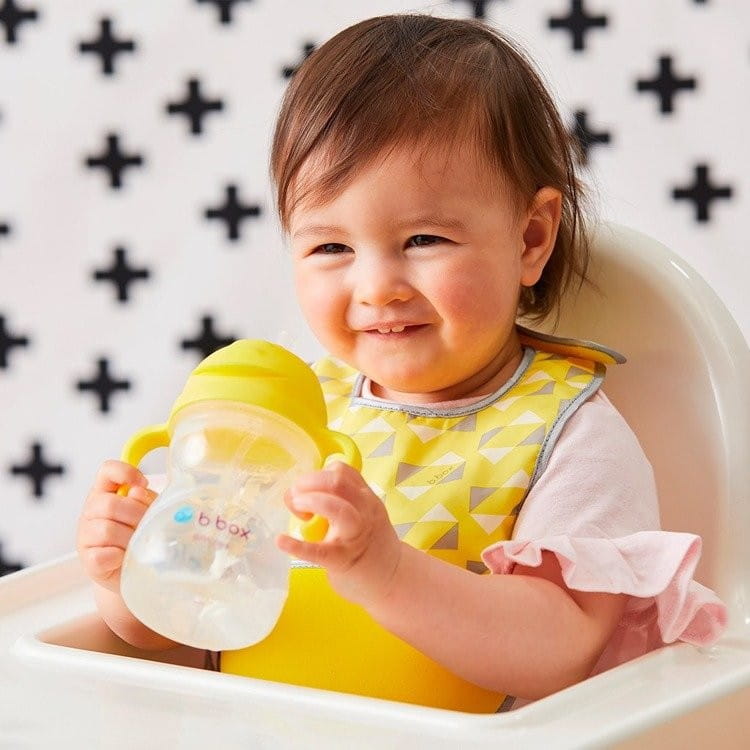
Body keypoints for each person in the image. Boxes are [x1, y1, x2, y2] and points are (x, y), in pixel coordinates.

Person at [76, 13, 726, 711]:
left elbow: (563, 648)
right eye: (331, 248)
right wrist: (128, 581)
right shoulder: (294, 416)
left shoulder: (567, 436)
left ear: (531, 238)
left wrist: (386, 573)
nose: (377, 286)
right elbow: (196, 622)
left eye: (423, 239)